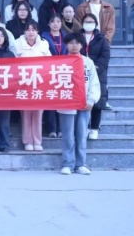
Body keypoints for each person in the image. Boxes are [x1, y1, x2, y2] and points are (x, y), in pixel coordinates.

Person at [59, 32, 100, 175]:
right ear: (66, 45)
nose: (74, 45)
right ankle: (68, 164)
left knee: (82, 135)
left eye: (77, 43)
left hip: (84, 104)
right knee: (68, 135)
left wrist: (91, 100)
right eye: (71, 43)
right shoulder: (60, 62)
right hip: (66, 103)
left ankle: (81, 164)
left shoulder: (88, 63)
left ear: (82, 45)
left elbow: (94, 83)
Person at [14, 20, 51, 151]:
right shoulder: (17, 44)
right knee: (25, 113)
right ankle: (27, 141)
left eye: (33, 30)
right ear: (24, 31)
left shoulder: (44, 44)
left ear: (37, 31)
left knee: (38, 113)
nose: (31, 32)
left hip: (39, 83)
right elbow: (13, 63)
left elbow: (50, 63)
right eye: (28, 29)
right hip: (23, 83)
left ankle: (37, 141)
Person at [80, 13, 111, 140]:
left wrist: (96, 68)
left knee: (96, 100)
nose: (88, 24)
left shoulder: (101, 39)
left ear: (95, 24)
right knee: (82, 100)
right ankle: (84, 126)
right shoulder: (78, 37)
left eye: (91, 22)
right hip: (81, 72)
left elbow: (105, 55)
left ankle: (94, 128)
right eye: (86, 22)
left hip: (98, 73)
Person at [40, 14, 68, 138]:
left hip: (63, 71)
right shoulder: (43, 37)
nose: (55, 24)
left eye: (58, 21)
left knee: (61, 100)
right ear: (49, 24)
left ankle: (61, 128)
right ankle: (51, 128)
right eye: (53, 21)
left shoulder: (66, 37)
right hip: (48, 71)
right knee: (50, 99)